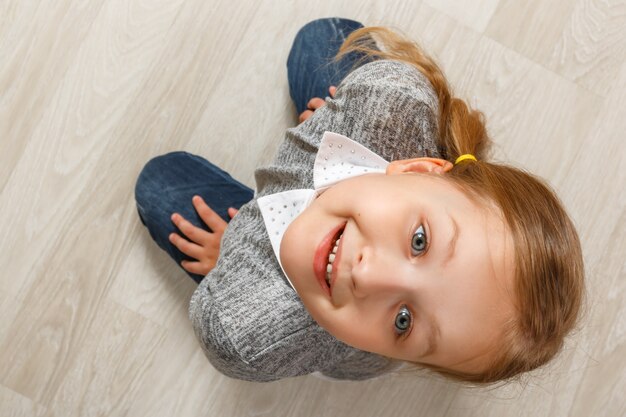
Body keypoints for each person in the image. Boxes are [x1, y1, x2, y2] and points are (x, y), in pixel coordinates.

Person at [134, 18, 584, 384]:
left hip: (250, 263)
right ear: (419, 168)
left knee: (159, 186)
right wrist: (326, 124)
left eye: (404, 322)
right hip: (360, 131)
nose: (367, 275)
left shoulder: (243, 330)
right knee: (322, 38)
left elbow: (232, 315)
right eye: (421, 240)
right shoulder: (392, 100)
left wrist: (230, 256)